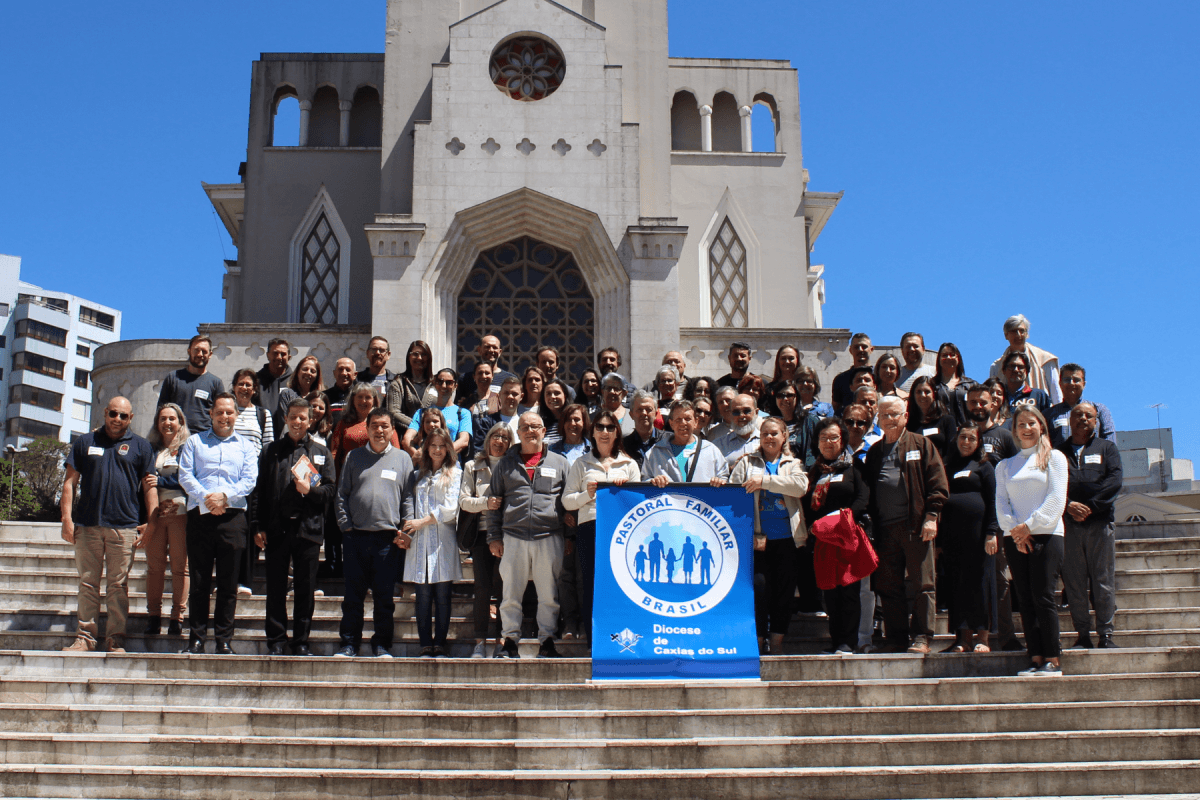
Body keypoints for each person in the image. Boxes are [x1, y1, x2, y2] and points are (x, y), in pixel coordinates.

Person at [59, 397, 157, 653]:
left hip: (124, 526)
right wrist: (66, 519)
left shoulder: (142, 447)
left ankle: (115, 637)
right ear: (105, 413)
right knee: (88, 582)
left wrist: (150, 522)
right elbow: (69, 483)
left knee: (118, 585)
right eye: (113, 413)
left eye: (123, 415)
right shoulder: (84, 442)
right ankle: (85, 638)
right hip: (88, 525)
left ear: (131, 418)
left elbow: (150, 488)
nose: (118, 419)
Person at [863, 395, 949, 654]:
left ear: (905, 417)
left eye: (894, 414)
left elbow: (938, 484)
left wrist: (932, 517)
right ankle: (896, 638)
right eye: (884, 415)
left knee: (923, 584)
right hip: (884, 530)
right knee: (888, 585)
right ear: (877, 418)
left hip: (915, 525)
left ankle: (922, 636)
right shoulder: (875, 452)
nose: (889, 419)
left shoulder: (921, 444)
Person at [253, 397, 336, 656]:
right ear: (286, 420)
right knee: (276, 589)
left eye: (303, 418)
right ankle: (276, 640)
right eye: (293, 417)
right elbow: (259, 492)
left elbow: (331, 491)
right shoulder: (270, 451)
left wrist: (309, 490)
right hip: (277, 529)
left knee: (304, 590)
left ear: (311, 420)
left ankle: (300, 641)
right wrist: (258, 526)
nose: (298, 422)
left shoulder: (321, 453)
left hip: (308, 529)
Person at [178, 393, 259, 655]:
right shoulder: (194, 442)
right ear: (211, 414)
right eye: (220, 412)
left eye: (230, 412)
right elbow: (185, 475)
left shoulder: (246, 447)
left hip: (233, 518)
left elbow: (249, 480)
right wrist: (207, 498)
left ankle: (224, 639)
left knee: (228, 584)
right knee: (199, 583)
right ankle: (197, 639)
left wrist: (224, 497)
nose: (225, 417)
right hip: (200, 517)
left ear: (237, 415)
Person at [486, 411, 571, 659]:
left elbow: (567, 504)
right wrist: (493, 536)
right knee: (510, 593)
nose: (531, 431)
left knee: (548, 594)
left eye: (536, 426)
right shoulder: (505, 464)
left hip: (549, 536)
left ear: (544, 432)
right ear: (519, 433)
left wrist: (568, 536)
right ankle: (510, 640)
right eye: (525, 427)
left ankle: (546, 641)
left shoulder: (560, 462)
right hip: (513, 536)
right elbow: (494, 503)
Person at [334, 407, 416, 658]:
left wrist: (407, 528)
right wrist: (346, 526)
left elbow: (408, 499)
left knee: (384, 597)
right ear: (367, 429)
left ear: (392, 430)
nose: (379, 430)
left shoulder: (403, 459)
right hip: (356, 536)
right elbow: (341, 495)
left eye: (384, 426)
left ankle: (382, 643)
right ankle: (349, 643)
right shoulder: (354, 457)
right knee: (353, 597)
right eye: (375, 426)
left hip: (387, 539)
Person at [996, 406, 1069, 677]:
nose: (1026, 429)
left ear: (1041, 426)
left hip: (1047, 534)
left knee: (1044, 596)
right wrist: (1015, 531)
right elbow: (1001, 503)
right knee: (1025, 599)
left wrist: (1029, 526)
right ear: (1014, 430)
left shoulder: (1055, 458)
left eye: (1031, 423)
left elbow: (1056, 499)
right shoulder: (1005, 465)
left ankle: (1053, 658)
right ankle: (1035, 657)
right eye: (1020, 424)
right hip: (1014, 537)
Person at [729, 417, 809, 655]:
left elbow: (800, 487)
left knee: (784, 594)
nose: (769, 438)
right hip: (757, 542)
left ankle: (776, 643)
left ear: (784, 436)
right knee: (760, 592)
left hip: (788, 539)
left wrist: (765, 482)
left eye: (774, 433)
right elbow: (734, 497)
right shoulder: (746, 463)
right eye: (765, 434)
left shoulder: (792, 464)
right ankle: (759, 640)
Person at [563, 408, 640, 643]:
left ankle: (621, 640)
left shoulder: (629, 464)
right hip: (590, 528)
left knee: (620, 585)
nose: (605, 432)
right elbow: (567, 501)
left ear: (617, 432)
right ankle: (593, 640)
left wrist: (625, 489)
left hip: (622, 532)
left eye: (610, 427)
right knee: (590, 584)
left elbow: (640, 503)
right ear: (592, 432)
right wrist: (586, 495)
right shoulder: (581, 464)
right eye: (600, 427)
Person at [801, 416, 870, 654]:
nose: (828, 442)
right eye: (823, 438)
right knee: (830, 591)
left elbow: (863, 498)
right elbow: (806, 504)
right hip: (823, 541)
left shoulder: (854, 467)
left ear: (842, 440)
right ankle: (835, 640)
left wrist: (843, 518)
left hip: (847, 536)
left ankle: (848, 642)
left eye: (833, 437)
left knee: (849, 590)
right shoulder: (813, 471)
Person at [1058, 402, 1123, 649]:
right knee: (1073, 582)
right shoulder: (1057, 452)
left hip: (1099, 523)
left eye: (1088, 415)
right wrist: (1068, 505)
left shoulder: (1107, 448)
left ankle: (1106, 634)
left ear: (1096, 421)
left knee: (1103, 580)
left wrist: (1091, 507)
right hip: (1069, 526)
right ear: (1069, 421)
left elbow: (1114, 481)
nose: (1083, 418)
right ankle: (1082, 635)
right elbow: (1050, 485)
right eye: (1077, 415)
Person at [939, 423, 999, 653]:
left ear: (978, 442)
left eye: (971, 438)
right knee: (957, 584)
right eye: (962, 437)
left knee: (981, 584)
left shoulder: (985, 467)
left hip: (980, 537)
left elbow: (993, 500)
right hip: (954, 537)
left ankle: (982, 637)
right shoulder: (948, 466)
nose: (966, 442)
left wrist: (991, 532)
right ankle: (962, 639)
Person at [402, 429, 462, 658]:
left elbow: (451, 508)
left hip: (442, 540)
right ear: (426, 448)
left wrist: (422, 521)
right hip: (420, 541)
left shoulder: (455, 473)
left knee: (443, 596)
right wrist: (411, 524)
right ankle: (425, 643)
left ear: (448, 448)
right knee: (423, 596)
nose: (437, 450)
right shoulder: (419, 474)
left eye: (442, 445)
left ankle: (441, 643)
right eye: (433, 445)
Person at [458, 423, 514, 658]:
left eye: (504, 437)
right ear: (488, 439)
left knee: (504, 589)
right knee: (482, 588)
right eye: (495, 436)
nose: (499, 441)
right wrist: (485, 503)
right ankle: (480, 640)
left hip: (508, 534)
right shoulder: (473, 466)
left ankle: (502, 639)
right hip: (481, 535)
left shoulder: (514, 466)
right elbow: (463, 500)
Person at [141, 403, 191, 638]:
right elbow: (144, 479)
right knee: (155, 568)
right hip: (155, 515)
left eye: (172, 418)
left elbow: (188, 480)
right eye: (163, 419)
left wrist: (161, 482)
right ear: (157, 423)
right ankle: (153, 616)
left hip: (180, 514)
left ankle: (177, 617)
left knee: (181, 568)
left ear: (180, 423)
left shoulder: (188, 449)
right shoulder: (151, 449)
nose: (168, 423)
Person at [644, 400, 730, 486]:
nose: (683, 423)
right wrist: (652, 482)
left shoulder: (711, 450)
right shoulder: (655, 453)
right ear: (671, 424)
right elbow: (642, 484)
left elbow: (724, 478)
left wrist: (719, 481)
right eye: (678, 419)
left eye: (687, 419)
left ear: (695, 422)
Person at [157, 334, 224, 434]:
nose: (200, 354)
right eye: (196, 350)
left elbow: (220, 414)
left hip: (204, 440)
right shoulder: (173, 378)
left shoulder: (216, 383)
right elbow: (161, 410)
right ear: (189, 351)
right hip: (176, 437)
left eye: (204, 351)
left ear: (210, 354)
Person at [989, 314, 1062, 403]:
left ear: (1027, 334)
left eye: (1022, 331)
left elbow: (1056, 393)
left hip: (1040, 412)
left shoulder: (1045, 360)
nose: (1018, 335)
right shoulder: (997, 366)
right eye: (1014, 331)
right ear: (1006, 335)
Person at [330, 384, 400, 478]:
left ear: (374, 400)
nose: (363, 401)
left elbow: (396, 451)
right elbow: (335, 452)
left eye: (367, 397)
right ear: (353, 399)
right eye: (360, 397)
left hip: (378, 474)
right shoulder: (343, 423)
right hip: (349, 475)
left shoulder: (383, 422)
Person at [404, 369, 471, 461]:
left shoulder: (462, 413)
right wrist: (418, 455)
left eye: (449, 382)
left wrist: (438, 454)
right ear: (435, 383)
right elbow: (407, 439)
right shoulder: (421, 412)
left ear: (455, 385)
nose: (444, 386)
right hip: (423, 467)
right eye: (440, 381)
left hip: (449, 465)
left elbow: (464, 441)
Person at [1046, 363, 1116, 448]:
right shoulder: (1049, 414)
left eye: (1076, 380)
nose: (1071, 383)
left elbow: (1110, 443)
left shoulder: (1100, 410)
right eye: (1067, 379)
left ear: (1084, 384)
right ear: (1060, 383)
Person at [385, 339, 434, 430]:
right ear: (409, 357)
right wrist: (418, 427)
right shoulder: (398, 384)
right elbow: (393, 413)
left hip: (433, 439)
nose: (419, 358)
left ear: (428, 358)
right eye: (415, 354)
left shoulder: (436, 383)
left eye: (423, 354)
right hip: (406, 439)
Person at [456, 334, 517, 404]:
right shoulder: (465, 379)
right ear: (479, 350)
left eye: (494, 347)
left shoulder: (510, 379)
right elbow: (458, 405)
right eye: (487, 347)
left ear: (500, 352)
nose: (491, 350)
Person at [906, 375, 957, 458]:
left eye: (927, 392)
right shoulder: (908, 424)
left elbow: (951, 451)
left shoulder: (947, 420)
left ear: (934, 394)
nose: (923, 395)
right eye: (919, 392)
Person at [472, 376, 524, 453]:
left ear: (521, 397)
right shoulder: (486, 423)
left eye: (514, 394)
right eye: (506, 393)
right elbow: (479, 451)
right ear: (499, 395)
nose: (510, 397)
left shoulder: (525, 424)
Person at [256, 338, 293, 441]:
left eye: (283, 354)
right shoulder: (256, 380)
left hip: (288, 440)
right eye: (275, 353)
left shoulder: (295, 381)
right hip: (261, 438)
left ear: (289, 357)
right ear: (268, 355)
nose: (279, 357)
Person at [230, 369, 274, 457]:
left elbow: (268, 447)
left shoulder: (264, 414)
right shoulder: (226, 411)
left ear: (254, 390)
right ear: (234, 387)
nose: (244, 388)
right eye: (241, 384)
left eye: (248, 385)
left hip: (253, 467)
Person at [931, 342, 976, 427]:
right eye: (944, 355)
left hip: (966, 434)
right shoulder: (931, 385)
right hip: (940, 434)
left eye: (952, 355)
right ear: (939, 360)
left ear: (958, 358)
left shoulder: (971, 385)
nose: (948, 357)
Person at [773, 379, 815, 466]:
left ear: (797, 397)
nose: (785, 399)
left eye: (789, 395)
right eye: (780, 395)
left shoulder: (809, 420)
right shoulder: (773, 423)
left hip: (803, 473)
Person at [714, 393, 762, 468]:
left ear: (756, 412)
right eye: (736, 412)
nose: (741, 416)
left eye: (746, 411)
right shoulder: (718, 445)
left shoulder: (767, 441)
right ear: (730, 414)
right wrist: (731, 470)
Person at [831, 333, 873, 413]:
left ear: (871, 349)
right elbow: (836, 407)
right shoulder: (840, 379)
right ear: (850, 350)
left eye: (864, 347)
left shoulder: (879, 376)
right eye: (856, 347)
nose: (860, 349)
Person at [1002, 352, 1051, 417]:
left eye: (1020, 367)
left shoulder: (1039, 395)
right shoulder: (998, 396)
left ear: (1027, 371)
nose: (1016, 370)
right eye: (1012, 366)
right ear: (1004, 371)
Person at [622, 390, 663, 468]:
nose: (644, 413)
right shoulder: (623, 446)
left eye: (648, 409)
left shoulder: (667, 440)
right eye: (639, 409)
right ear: (631, 415)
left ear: (656, 414)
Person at [766, 344, 801, 415]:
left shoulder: (802, 386)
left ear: (797, 360)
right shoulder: (769, 389)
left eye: (791, 358)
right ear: (778, 361)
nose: (787, 362)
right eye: (783, 358)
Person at [598, 372, 634, 436]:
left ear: (624, 393)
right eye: (608, 388)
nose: (612, 392)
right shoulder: (594, 416)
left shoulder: (633, 417)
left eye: (617, 389)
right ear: (602, 391)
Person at [326, 357, 358, 423]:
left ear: (355, 375)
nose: (344, 373)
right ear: (334, 373)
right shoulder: (324, 397)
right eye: (340, 369)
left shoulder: (360, 396)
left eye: (348, 370)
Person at [539, 379, 571, 445]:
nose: (553, 397)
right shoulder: (540, 423)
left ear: (565, 395)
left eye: (557, 393)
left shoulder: (573, 421)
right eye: (548, 394)